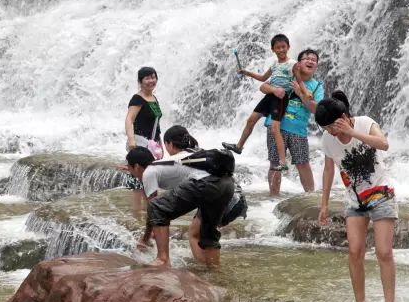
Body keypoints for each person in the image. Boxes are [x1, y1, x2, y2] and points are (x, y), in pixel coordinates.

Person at [315, 92, 402, 302]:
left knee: (384, 252)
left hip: (381, 193)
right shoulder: (327, 138)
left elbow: (384, 144)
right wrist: (323, 204)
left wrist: (352, 132)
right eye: (325, 128)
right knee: (355, 252)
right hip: (355, 199)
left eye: (332, 126)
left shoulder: (365, 123)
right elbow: (328, 171)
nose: (330, 132)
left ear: (343, 117)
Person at [126, 126, 236, 269]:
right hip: (227, 184)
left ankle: (162, 259)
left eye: (129, 169)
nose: (131, 173)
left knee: (156, 207)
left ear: (136, 166)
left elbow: (153, 212)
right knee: (208, 231)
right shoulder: (192, 153)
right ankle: (214, 271)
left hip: (205, 184)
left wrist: (145, 239)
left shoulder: (150, 171)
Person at [223, 34, 304, 171]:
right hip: (270, 96)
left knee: (275, 128)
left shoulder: (293, 64)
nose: (281, 50)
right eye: (278, 47)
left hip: (280, 98)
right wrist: (246, 72)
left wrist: (305, 92)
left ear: (288, 47)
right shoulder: (274, 64)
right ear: (273, 49)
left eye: (283, 47)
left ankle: (283, 162)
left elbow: (300, 81)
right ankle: (239, 146)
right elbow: (263, 78)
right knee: (251, 120)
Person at [262, 48, 324, 195]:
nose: (310, 61)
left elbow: (316, 109)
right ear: (298, 63)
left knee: (303, 164)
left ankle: (310, 197)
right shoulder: (285, 75)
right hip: (276, 126)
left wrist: (300, 93)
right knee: (275, 163)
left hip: (298, 130)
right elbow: (264, 86)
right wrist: (274, 90)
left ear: (316, 65)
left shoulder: (316, 86)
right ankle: (273, 198)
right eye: (306, 58)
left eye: (313, 60)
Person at [124, 66, 163, 212]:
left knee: (149, 180)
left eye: (153, 77)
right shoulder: (137, 99)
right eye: (147, 78)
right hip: (140, 145)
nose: (151, 80)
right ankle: (136, 216)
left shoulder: (153, 98)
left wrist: (160, 144)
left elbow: (156, 124)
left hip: (151, 145)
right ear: (140, 81)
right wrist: (131, 141)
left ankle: (149, 214)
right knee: (137, 182)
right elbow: (129, 120)